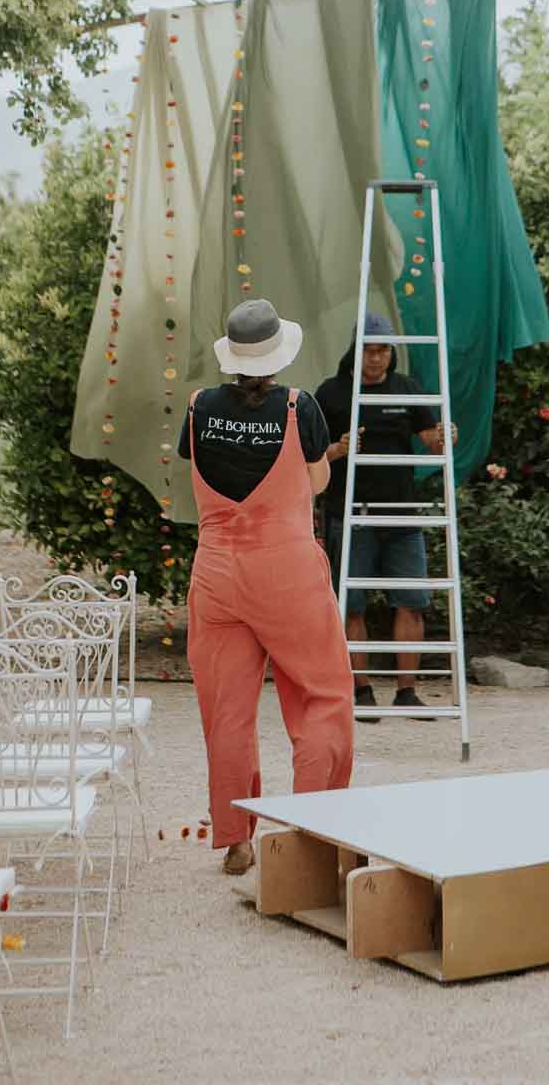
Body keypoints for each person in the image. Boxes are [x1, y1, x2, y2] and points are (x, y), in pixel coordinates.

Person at [179, 298, 353, 875]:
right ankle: (311, 833)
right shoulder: (299, 408)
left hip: (217, 571)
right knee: (322, 696)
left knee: (226, 711)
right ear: (278, 355)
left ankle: (236, 839)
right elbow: (319, 480)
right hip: (286, 570)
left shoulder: (199, 407)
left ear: (231, 358)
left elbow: (198, 473)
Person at [316, 312, 456, 722]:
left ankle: (407, 693)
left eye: (382, 351)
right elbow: (309, 456)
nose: (375, 359)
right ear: (354, 352)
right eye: (368, 350)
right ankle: (361, 692)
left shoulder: (407, 389)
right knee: (353, 605)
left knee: (412, 602)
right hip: (351, 514)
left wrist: (445, 436)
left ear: (391, 353)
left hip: (401, 515)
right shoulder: (331, 394)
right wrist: (339, 449)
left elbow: (432, 442)